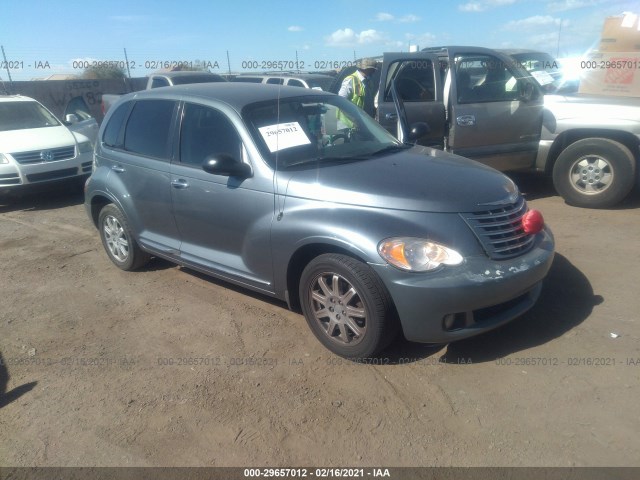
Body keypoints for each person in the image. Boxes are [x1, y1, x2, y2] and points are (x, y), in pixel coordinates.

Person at [337, 58, 377, 129]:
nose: (374, 72)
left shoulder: (369, 82)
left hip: (363, 123)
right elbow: (340, 102)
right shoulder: (350, 80)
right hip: (349, 124)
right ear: (366, 69)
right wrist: (353, 120)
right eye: (372, 69)